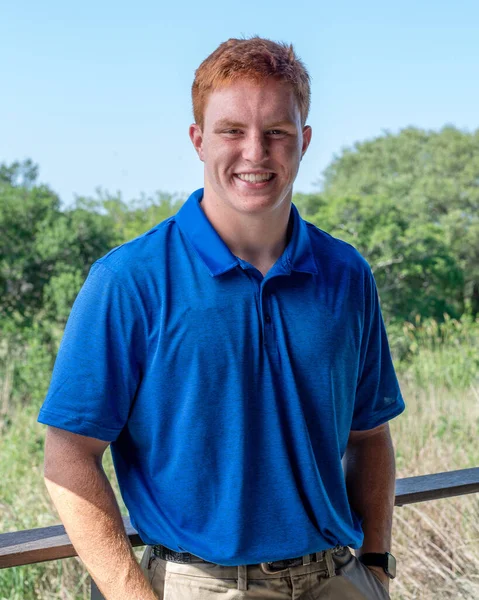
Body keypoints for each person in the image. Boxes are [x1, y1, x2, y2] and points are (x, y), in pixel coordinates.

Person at [38, 37, 405, 599]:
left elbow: (370, 434)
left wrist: (376, 567)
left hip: (337, 580)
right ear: (198, 140)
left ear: (303, 142)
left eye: (277, 132)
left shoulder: (346, 274)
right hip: (198, 585)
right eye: (232, 130)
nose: (255, 152)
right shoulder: (130, 280)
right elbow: (68, 456)